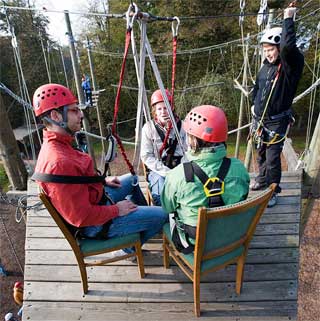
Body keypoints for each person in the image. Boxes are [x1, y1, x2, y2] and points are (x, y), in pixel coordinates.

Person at [32, 83, 167, 255]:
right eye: (74, 110)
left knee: (132, 180)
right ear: (55, 115)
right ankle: (130, 247)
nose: (81, 114)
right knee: (163, 215)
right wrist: (117, 210)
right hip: (96, 224)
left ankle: (142, 222)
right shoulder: (58, 162)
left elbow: (77, 179)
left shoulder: (59, 144)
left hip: (97, 199)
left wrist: (102, 180)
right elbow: (81, 217)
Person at [161, 105, 250, 253]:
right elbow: (244, 194)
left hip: (192, 243)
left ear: (194, 141)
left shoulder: (177, 176)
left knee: (171, 213)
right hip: (230, 237)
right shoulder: (239, 169)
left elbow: (167, 207)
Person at [250, 5, 304, 207]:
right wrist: (254, 106)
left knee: (273, 158)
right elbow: (257, 88)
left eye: (271, 49)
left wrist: (288, 19)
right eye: (265, 50)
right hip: (260, 120)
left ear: (279, 48)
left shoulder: (289, 67)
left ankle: (272, 190)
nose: (268, 53)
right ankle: (263, 180)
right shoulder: (265, 67)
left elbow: (289, 48)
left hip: (277, 121)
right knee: (261, 152)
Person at [141, 89, 187, 206]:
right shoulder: (149, 128)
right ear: (155, 111)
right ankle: (164, 217)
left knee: (190, 189)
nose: (163, 112)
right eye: (159, 109)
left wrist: (180, 171)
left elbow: (188, 151)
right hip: (158, 170)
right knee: (161, 196)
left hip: (180, 166)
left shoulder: (183, 126)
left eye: (166, 108)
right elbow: (146, 156)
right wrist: (166, 172)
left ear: (171, 108)